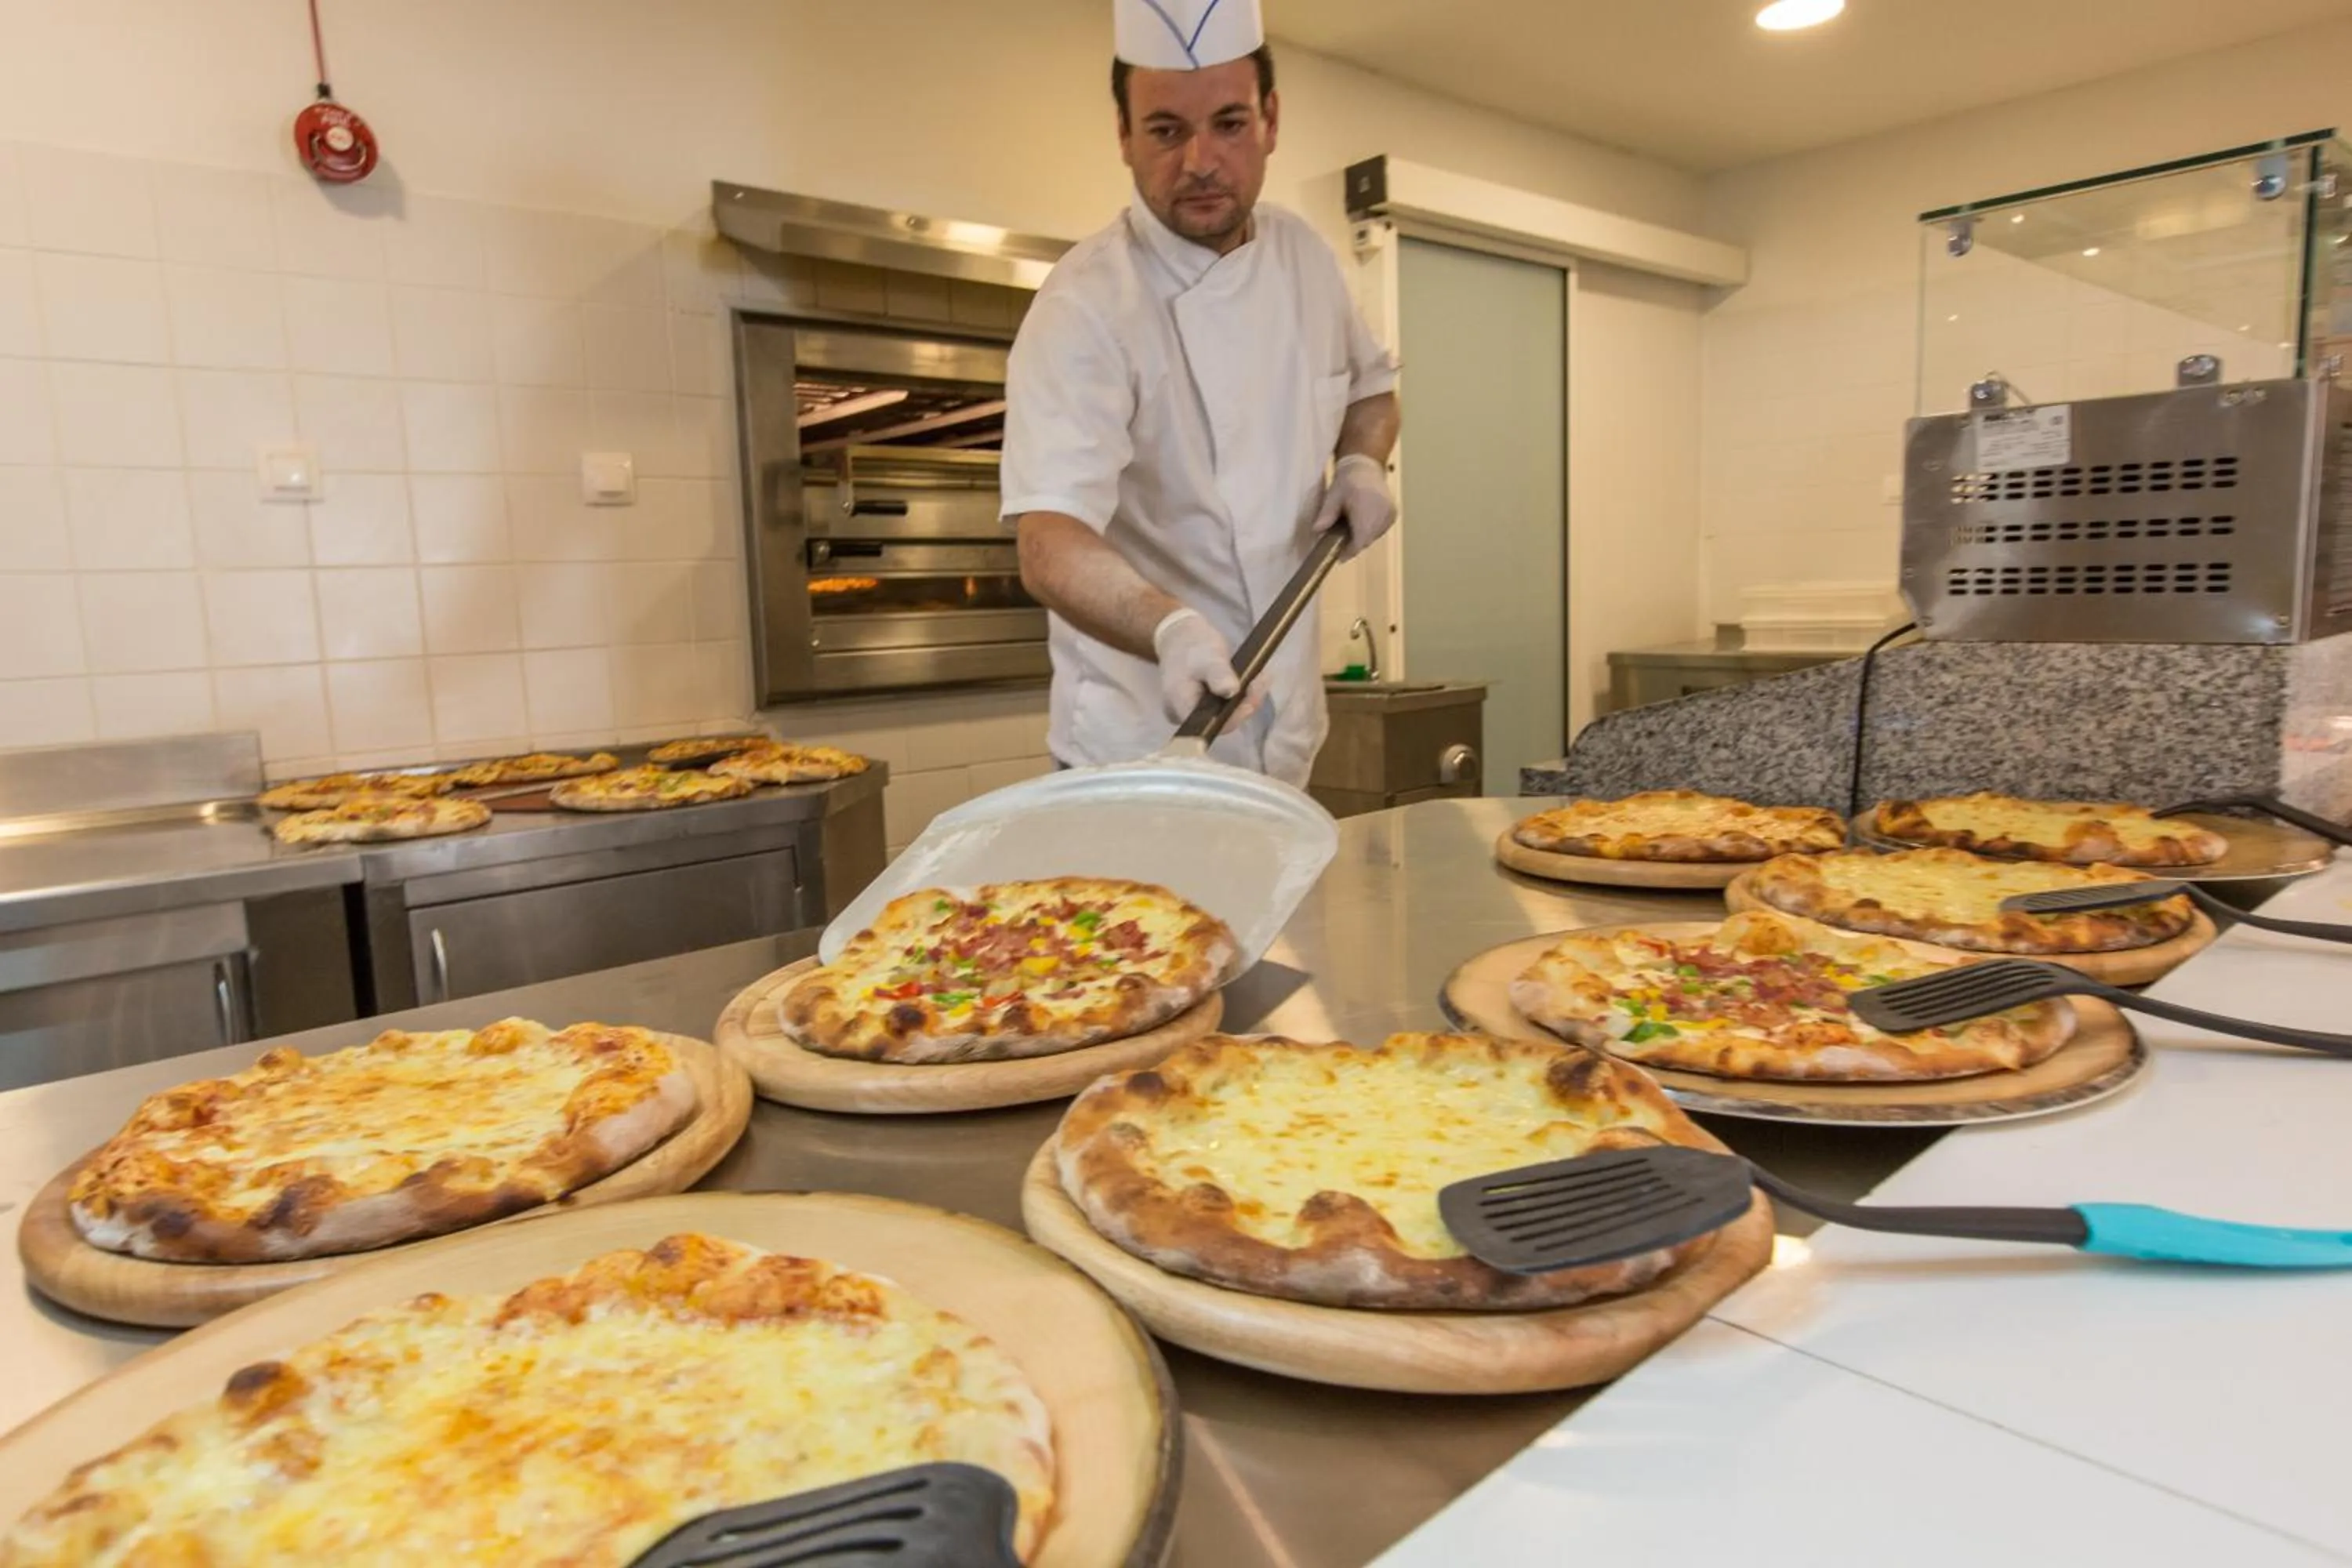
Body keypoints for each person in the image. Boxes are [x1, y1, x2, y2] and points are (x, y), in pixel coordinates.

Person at [1000, 0, 1401, 786]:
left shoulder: (1306, 259)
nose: (1200, 160)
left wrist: (1362, 463)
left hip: (1285, 734)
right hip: (1139, 748)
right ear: (1123, 136)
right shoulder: (1085, 304)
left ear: (1271, 119)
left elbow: (1372, 390)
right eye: (1165, 130)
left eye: (1228, 123)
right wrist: (1170, 627)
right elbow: (1046, 541)